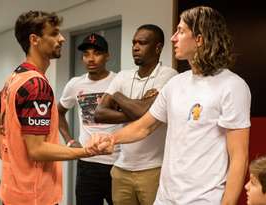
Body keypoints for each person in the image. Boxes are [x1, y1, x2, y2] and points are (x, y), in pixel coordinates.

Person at [93, 6, 251, 205]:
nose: (173, 38)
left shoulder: (232, 86)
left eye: (181, 31)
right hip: (165, 198)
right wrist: (111, 139)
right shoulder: (175, 84)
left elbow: (239, 157)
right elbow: (144, 126)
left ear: (200, 39)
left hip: (204, 199)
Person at [0, 11, 109, 205]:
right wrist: (86, 152)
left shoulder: (15, 78)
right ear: (35, 39)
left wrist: (12, 162)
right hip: (35, 197)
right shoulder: (36, 85)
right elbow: (37, 150)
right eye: (54, 33)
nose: (62, 38)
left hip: (13, 192)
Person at [94, 24, 178, 205]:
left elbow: (144, 112)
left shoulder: (169, 76)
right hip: (121, 167)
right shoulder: (123, 76)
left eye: (142, 42)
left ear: (158, 47)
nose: (135, 47)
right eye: (134, 43)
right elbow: (99, 113)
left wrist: (118, 98)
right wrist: (140, 111)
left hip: (153, 168)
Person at [58, 33, 121, 205]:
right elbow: (58, 113)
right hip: (87, 163)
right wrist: (70, 141)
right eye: (86, 54)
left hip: (117, 162)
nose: (91, 59)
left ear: (107, 56)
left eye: (97, 53)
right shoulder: (75, 84)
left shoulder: (119, 81)